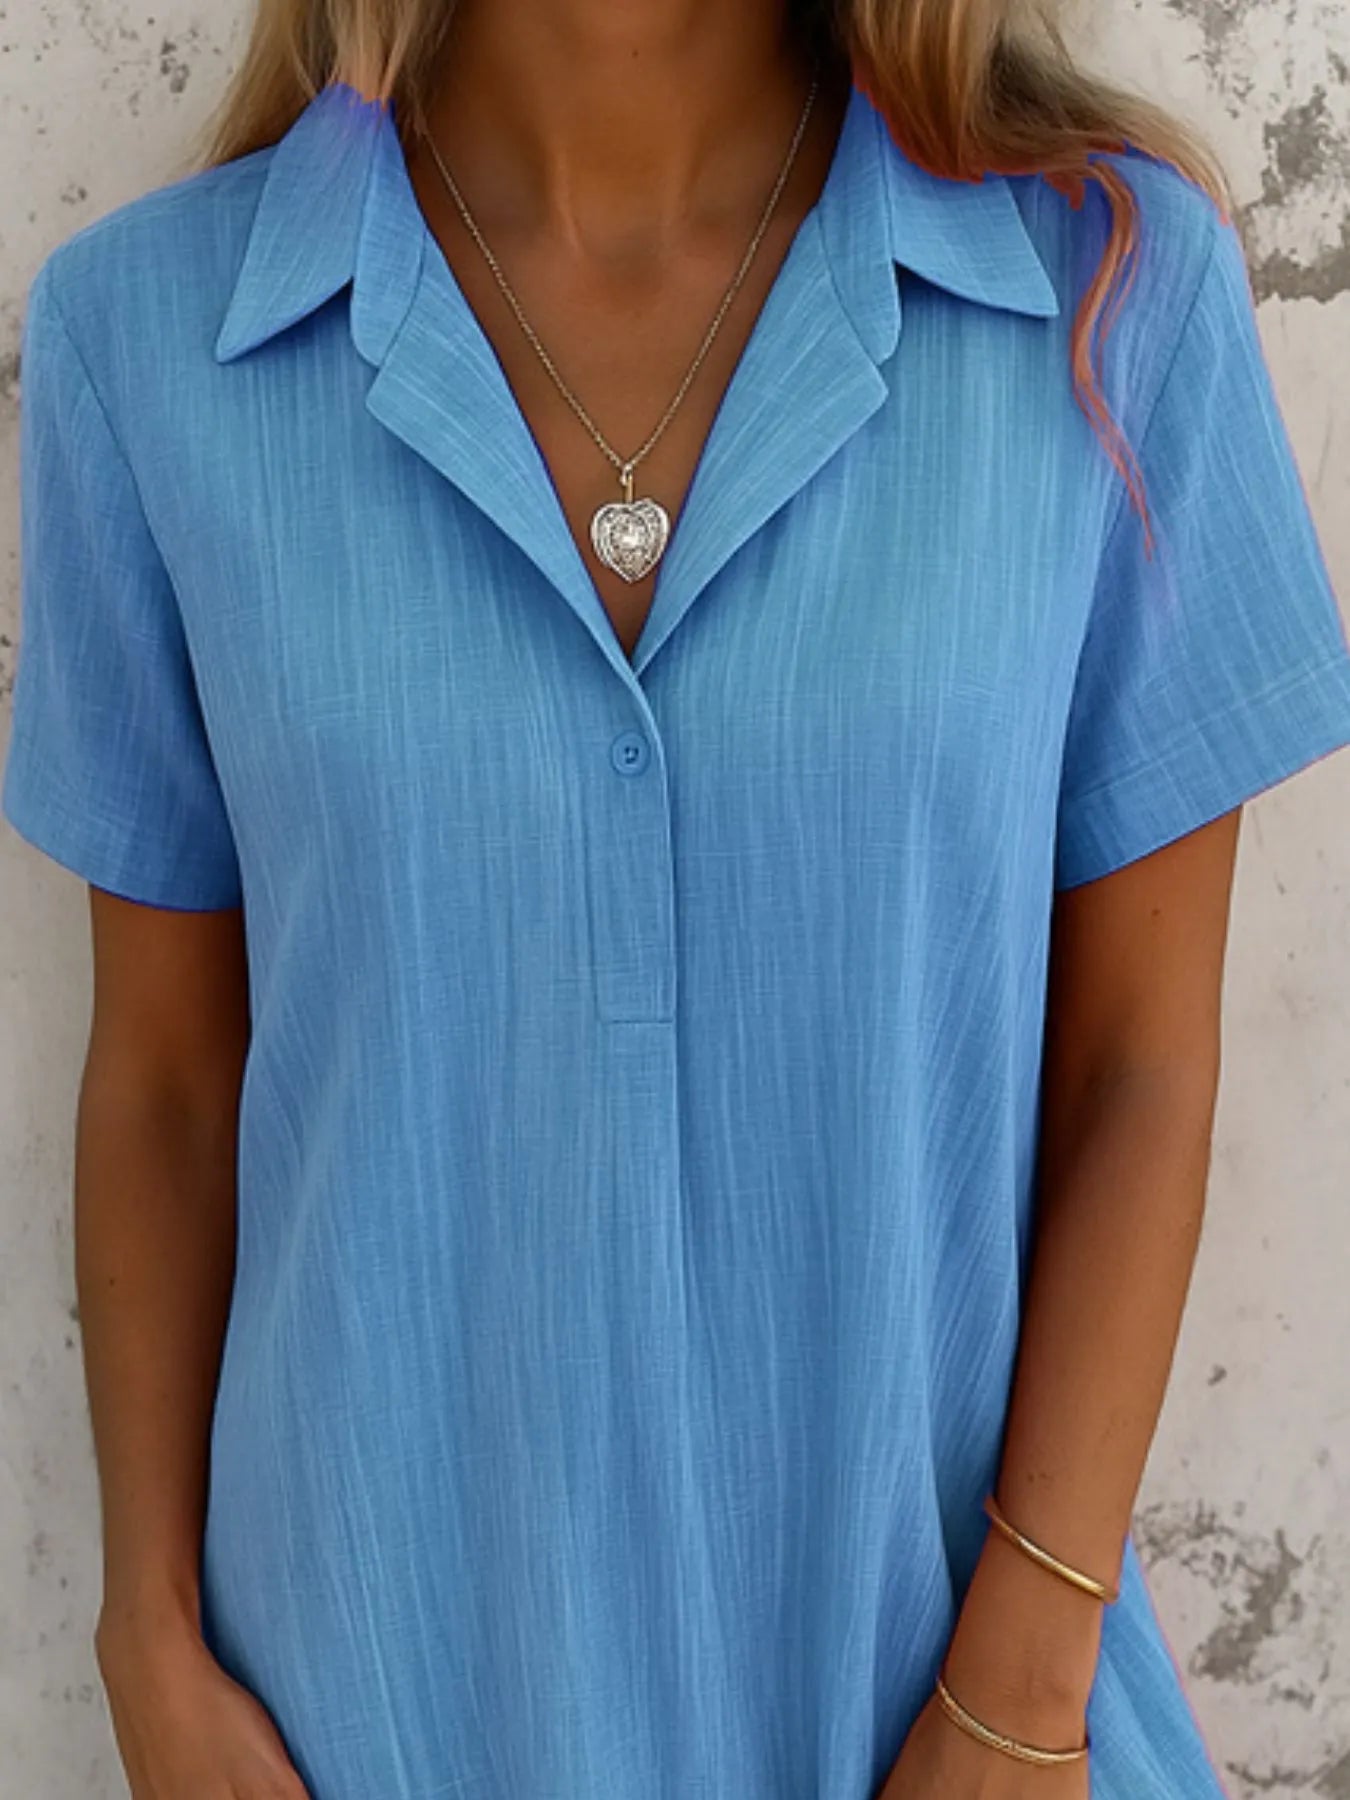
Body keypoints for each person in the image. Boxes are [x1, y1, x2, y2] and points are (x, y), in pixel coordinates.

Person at [4, 0, 1350, 1795]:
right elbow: (169, 1084)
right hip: (369, 1702)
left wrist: (1021, 1689)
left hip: (941, 1718)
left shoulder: (1107, 288)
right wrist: (146, 1639)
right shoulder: (148, 339)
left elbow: (1139, 1067)